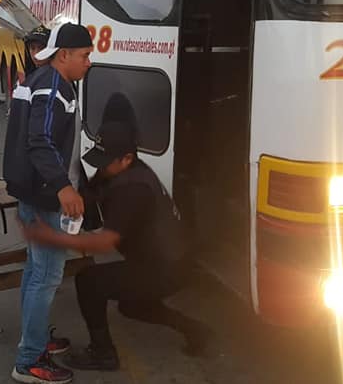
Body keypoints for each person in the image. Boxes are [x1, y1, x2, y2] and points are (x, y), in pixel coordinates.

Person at [21, 121, 211, 371]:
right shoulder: (118, 169)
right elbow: (92, 192)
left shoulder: (134, 189)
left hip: (169, 268)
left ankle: (103, 354)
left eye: (105, 160)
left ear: (127, 158)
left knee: (89, 282)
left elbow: (104, 242)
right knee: (133, 305)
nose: (100, 166)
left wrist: (50, 237)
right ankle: (197, 330)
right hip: (162, 259)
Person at [4, 22, 93, 384]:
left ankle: (35, 339)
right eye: (85, 56)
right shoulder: (55, 85)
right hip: (45, 194)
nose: (89, 62)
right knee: (46, 275)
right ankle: (29, 361)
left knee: (35, 270)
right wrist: (64, 188)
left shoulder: (41, 79)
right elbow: (39, 140)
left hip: (31, 189)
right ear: (64, 55)